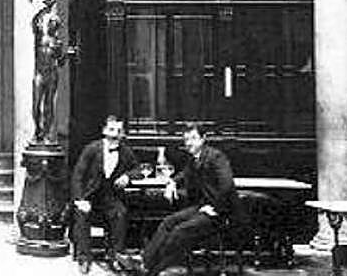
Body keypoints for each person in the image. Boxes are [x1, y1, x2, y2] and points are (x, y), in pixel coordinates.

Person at [136, 122, 237, 276]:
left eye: (193, 138)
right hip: (202, 208)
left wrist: (215, 208)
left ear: (203, 139)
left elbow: (227, 185)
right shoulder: (194, 159)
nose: (189, 143)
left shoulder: (216, 156)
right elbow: (184, 174)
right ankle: (144, 263)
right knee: (168, 222)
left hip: (220, 213)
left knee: (179, 232)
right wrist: (172, 182)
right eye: (186, 139)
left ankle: (152, 270)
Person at [71, 115, 140, 274]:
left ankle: (115, 256)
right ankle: (84, 257)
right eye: (111, 130)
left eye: (119, 131)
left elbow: (138, 169)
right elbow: (77, 176)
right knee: (82, 214)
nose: (115, 134)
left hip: (110, 197)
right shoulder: (91, 149)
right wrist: (80, 200)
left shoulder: (125, 151)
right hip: (89, 196)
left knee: (120, 213)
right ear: (104, 131)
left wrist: (127, 176)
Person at [30, 0, 66, 143]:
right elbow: (35, 22)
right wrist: (45, 4)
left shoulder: (57, 43)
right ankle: (37, 130)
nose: (52, 25)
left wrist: (66, 54)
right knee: (36, 104)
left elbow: (61, 61)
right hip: (39, 73)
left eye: (54, 23)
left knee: (49, 104)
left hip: (52, 73)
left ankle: (46, 133)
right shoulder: (40, 38)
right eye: (50, 23)